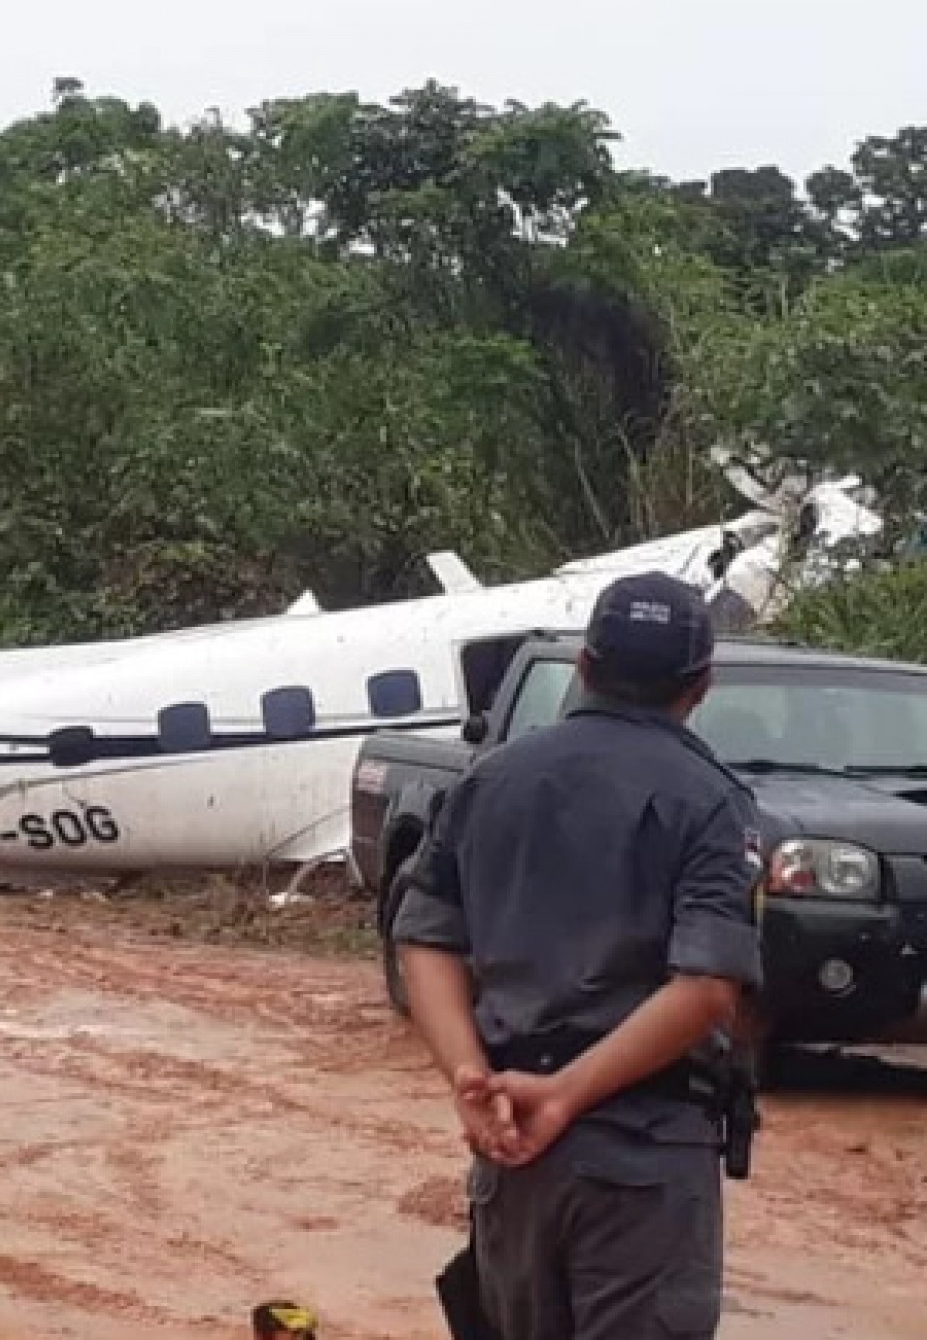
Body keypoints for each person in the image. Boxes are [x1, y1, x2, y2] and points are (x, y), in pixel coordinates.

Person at [393, 571, 762, 1340]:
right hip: (642, 1156)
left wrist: (468, 1075)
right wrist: (563, 1092)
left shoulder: (490, 779)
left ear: (584, 667)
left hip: (511, 1148)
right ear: (700, 685)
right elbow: (703, 989)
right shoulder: (709, 802)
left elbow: (423, 937)